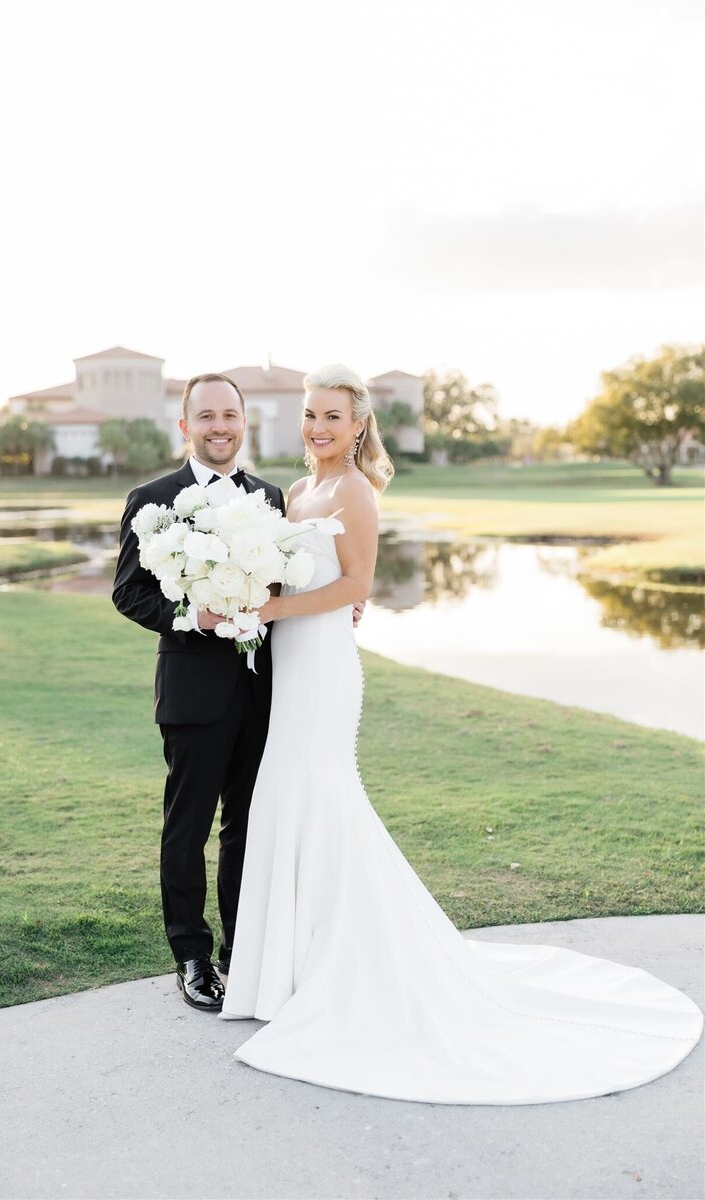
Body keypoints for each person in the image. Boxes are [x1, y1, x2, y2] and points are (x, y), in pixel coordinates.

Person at [219, 363, 703, 1105]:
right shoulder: (294, 492)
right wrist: (247, 593)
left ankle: (346, 963)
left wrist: (271, 614)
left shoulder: (353, 490)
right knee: (286, 792)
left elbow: (356, 587)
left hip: (322, 665)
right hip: (290, 662)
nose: (318, 427)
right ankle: (290, 967)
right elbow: (295, 577)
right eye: (311, 415)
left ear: (358, 427)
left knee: (322, 793)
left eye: (333, 418)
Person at [112, 373, 286, 1013]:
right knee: (187, 829)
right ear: (184, 426)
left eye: (230, 415)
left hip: (263, 691)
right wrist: (194, 616)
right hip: (192, 690)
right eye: (206, 416)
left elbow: (283, 586)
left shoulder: (269, 498)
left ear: (245, 423)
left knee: (247, 826)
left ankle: (244, 951)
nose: (220, 426)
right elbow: (129, 591)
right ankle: (192, 956)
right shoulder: (155, 500)